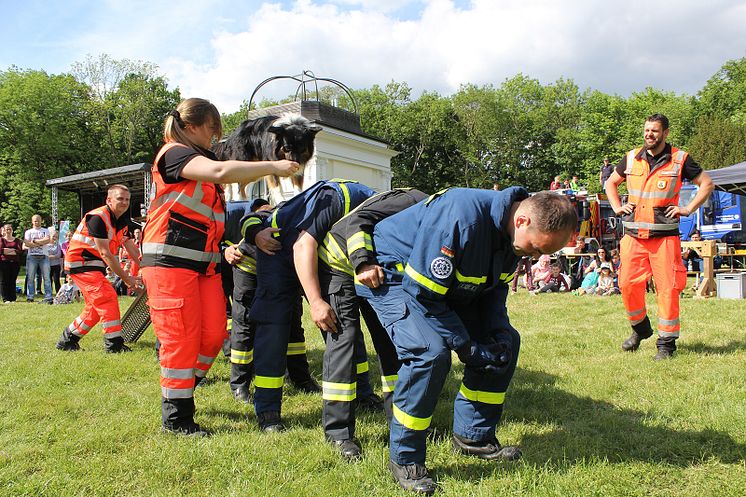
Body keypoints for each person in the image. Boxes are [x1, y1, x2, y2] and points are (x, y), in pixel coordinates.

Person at [355, 188, 577, 494]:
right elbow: (424, 296)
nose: (537, 257)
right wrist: (466, 346)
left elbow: (494, 291)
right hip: (394, 276)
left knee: (505, 344)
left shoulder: (513, 236)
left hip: (442, 288)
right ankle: (405, 458)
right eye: (536, 249)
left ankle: (474, 437)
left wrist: (496, 333)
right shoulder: (461, 219)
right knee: (429, 354)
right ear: (522, 220)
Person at [139, 97, 299, 437]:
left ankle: (180, 388)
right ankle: (177, 417)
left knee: (213, 336)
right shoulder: (174, 154)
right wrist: (274, 167)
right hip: (170, 263)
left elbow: (230, 163)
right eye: (212, 129)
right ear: (190, 126)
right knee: (181, 340)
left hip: (205, 267)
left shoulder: (201, 156)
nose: (215, 138)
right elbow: (222, 171)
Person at [247, 179, 375, 432]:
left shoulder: (374, 210)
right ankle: (268, 411)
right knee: (274, 329)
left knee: (342, 324)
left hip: (317, 252)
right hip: (280, 251)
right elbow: (303, 245)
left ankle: (362, 392)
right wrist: (316, 301)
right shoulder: (338, 197)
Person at [311, 188, 428, 460]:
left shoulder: (440, 225)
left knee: (394, 339)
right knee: (345, 343)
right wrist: (363, 262)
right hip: (337, 264)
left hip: (379, 271)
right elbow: (355, 222)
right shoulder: (410, 201)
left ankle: (399, 420)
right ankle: (339, 434)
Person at [606, 113, 714, 360]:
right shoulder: (631, 158)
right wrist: (615, 206)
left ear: (665, 133)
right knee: (626, 285)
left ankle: (666, 344)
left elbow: (707, 183)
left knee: (667, 289)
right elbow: (611, 183)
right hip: (633, 236)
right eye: (646, 130)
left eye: (654, 131)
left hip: (664, 238)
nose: (649, 135)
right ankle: (640, 329)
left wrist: (687, 209)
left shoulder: (680, 159)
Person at [55, 185, 142, 353]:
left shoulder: (122, 221)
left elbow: (132, 249)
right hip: (81, 263)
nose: (124, 202)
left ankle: (68, 340)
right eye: (120, 198)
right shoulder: (98, 217)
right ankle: (113, 345)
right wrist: (127, 278)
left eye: (127, 199)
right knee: (107, 297)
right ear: (109, 200)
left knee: (95, 308)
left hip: (92, 264)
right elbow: (106, 254)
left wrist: (147, 266)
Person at [23, 214, 52, 303]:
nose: (37, 222)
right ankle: (30, 296)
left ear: (41, 221)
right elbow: (27, 243)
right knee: (30, 277)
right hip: (32, 256)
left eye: (38, 220)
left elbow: (47, 240)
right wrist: (41, 243)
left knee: (46, 277)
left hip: (44, 256)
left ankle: (48, 296)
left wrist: (35, 241)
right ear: (32, 222)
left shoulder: (45, 230)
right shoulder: (28, 232)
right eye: (35, 221)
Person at [0, 224, 24, 303]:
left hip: (15, 263)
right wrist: (12, 250)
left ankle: (12, 298)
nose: (8, 231)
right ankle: (5, 298)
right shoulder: (1, 240)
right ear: (4, 230)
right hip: (4, 262)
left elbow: (19, 251)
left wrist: (7, 250)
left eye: (10, 229)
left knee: (12, 280)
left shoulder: (17, 240)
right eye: (7, 229)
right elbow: (1, 250)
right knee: (4, 280)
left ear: (12, 230)